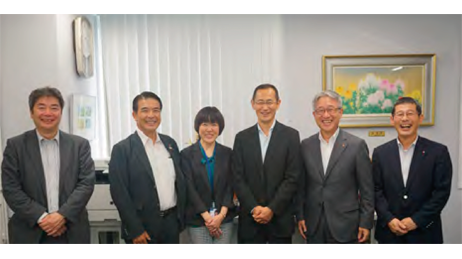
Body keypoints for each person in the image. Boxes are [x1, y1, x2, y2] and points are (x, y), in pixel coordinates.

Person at [1, 86, 95, 244]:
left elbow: (86, 184)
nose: (48, 113)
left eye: (54, 108)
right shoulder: (15, 146)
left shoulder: (79, 145)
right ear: (31, 113)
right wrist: (43, 218)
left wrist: (61, 216)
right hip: (29, 231)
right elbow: (11, 188)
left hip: (71, 231)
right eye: (41, 107)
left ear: (61, 112)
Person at [297, 90, 374, 244]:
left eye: (331, 109)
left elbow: (367, 189)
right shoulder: (305, 145)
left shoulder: (356, 145)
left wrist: (366, 222)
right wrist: (300, 216)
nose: (326, 115)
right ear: (314, 115)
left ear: (340, 112)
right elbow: (301, 186)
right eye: (320, 110)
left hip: (347, 225)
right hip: (314, 225)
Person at [109, 91, 186, 244]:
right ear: (134, 115)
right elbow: (119, 194)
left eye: (156, 110)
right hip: (142, 229)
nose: (151, 115)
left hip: (171, 225)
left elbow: (179, 182)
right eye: (145, 110)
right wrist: (135, 230)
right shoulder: (123, 149)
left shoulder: (169, 144)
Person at [373, 97, 452, 244]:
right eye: (400, 114)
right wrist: (389, 219)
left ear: (420, 118)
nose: (405, 119)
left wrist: (416, 220)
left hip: (425, 233)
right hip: (389, 235)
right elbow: (376, 190)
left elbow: (441, 193)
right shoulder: (380, 153)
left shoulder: (438, 152)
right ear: (392, 119)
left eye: (410, 113)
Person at [232, 83, 300, 244]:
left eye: (269, 102)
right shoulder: (242, 138)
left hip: (280, 220)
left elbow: (292, 178)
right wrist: (254, 208)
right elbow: (237, 178)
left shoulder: (291, 136)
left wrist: (271, 209)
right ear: (253, 104)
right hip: (250, 221)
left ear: (278, 103)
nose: (265, 107)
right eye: (260, 102)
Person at [181, 106, 235, 244]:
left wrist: (221, 216)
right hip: (198, 219)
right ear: (198, 127)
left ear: (220, 128)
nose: (209, 129)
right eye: (205, 124)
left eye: (214, 124)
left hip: (224, 219)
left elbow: (231, 185)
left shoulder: (228, 153)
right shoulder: (186, 155)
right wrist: (208, 218)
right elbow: (189, 188)